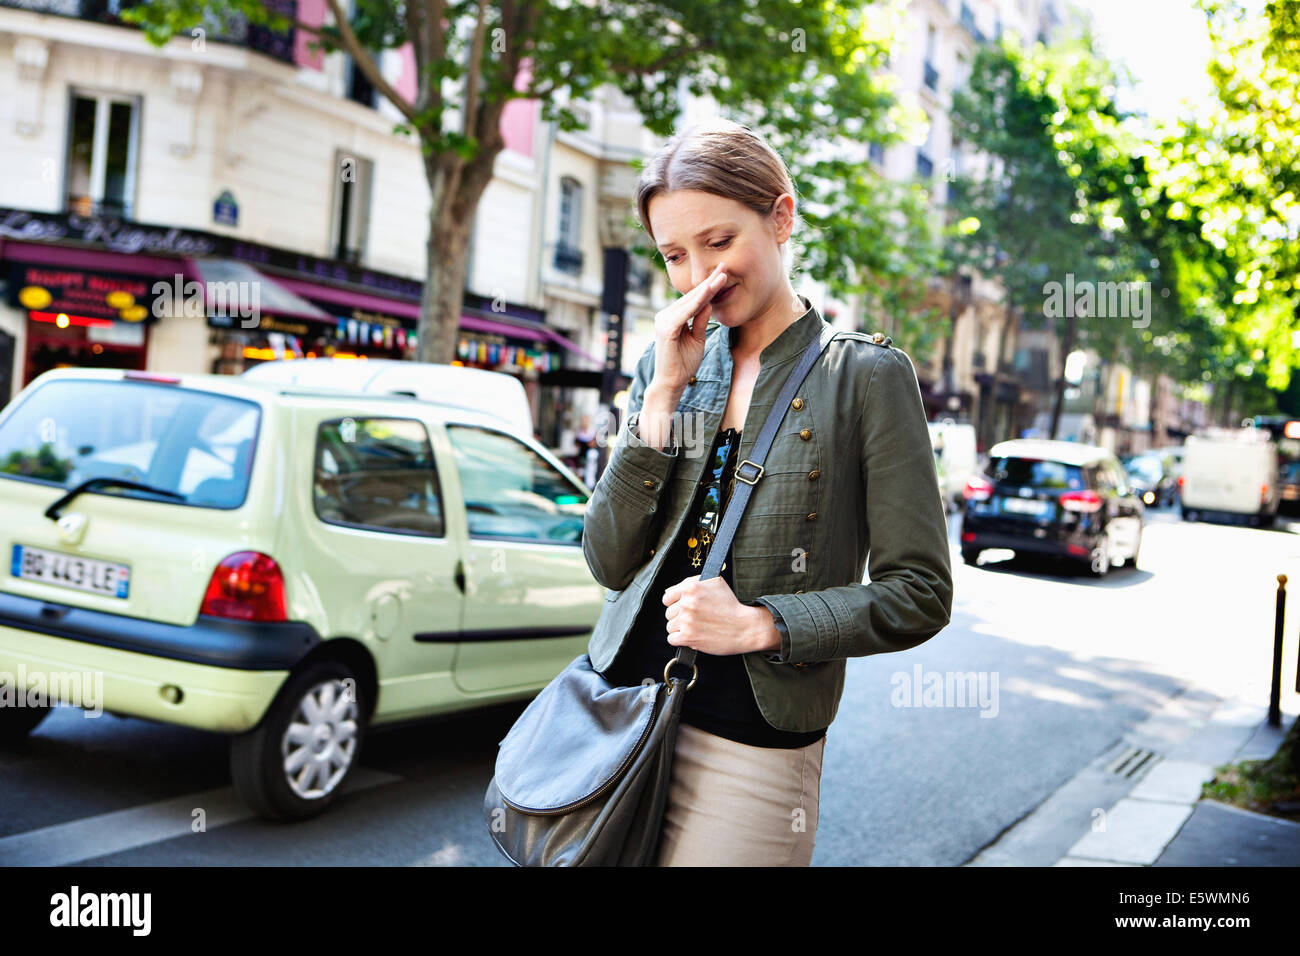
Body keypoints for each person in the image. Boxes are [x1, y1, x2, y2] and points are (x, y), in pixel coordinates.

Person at [580, 118, 953, 866]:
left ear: (780, 218)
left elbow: (921, 592)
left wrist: (762, 624)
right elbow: (609, 560)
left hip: (751, 744)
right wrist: (662, 401)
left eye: (719, 243)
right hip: (619, 712)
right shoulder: (669, 365)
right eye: (675, 256)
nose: (699, 278)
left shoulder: (866, 378)